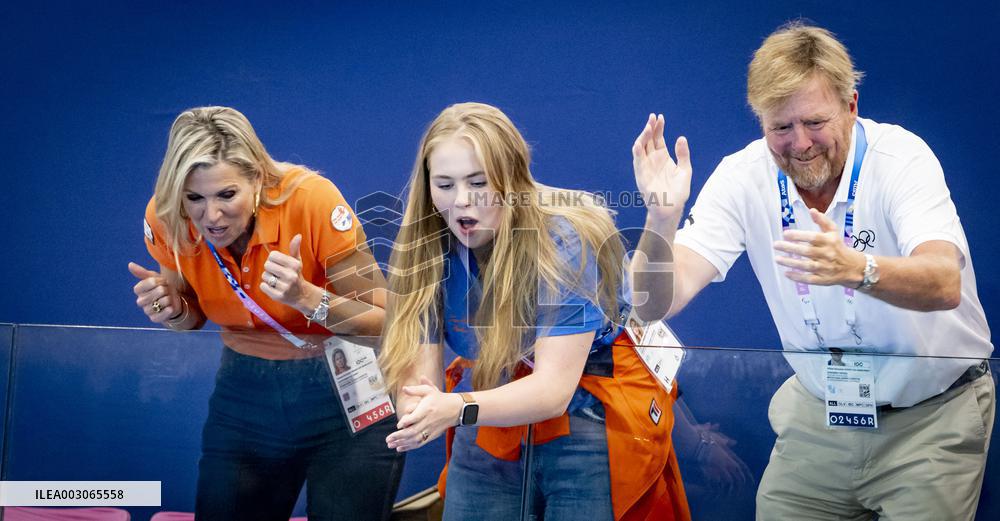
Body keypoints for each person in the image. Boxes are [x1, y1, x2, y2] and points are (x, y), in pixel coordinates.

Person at [630, 23, 994, 520]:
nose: (800, 144)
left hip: (930, 417)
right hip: (821, 414)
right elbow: (654, 304)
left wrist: (858, 269)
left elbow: (945, 281)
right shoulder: (742, 176)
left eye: (815, 122)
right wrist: (662, 218)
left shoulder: (900, 159)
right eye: (780, 128)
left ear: (851, 106)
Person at [379, 102, 691, 520]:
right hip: (491, 392)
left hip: (588, 404)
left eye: (478, 182)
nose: (462, 202)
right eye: (445, 184)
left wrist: (452, 409)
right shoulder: (423, 246)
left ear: (511, 179)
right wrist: (417, 410)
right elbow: (421, 382)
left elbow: (552, 391)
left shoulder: (563, 239)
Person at [128, 106, 403, 520]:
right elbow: (191, 316)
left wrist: (307, 298)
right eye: (195, 198)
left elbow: (388, 322)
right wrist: (171, 310)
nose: (212, 216)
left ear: (256, 178)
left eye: (227, 195)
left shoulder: (311, 200)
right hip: (244, 392)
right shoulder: (167, 215)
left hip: (345, 389)